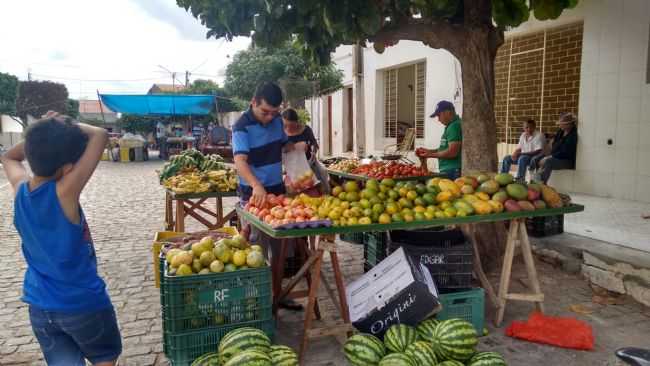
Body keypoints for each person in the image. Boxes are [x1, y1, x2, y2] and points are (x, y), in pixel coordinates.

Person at [0, 112, 121, 366]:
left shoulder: (20, 189)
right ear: (67, 169)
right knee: (104, 360)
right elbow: (99, 136)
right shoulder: (64, 191)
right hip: (83, 305)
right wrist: (63, 125)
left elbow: (9, 156)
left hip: (40, 308)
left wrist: (43, 132)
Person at [233, 82, 303, 311]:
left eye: (274, 112)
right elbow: (240, 162)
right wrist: (256, 185)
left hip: (278, 194)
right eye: (265, 112)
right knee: (256, 250)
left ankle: (277, 295)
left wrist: (297, 151)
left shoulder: (276, 123)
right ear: (254, 102)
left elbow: (285, 146)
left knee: (280, 249)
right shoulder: (241, 126)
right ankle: (256, 302)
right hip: (254, 196)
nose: (269, 117)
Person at [282, 108, 330, 194]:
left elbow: (314, 144)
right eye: (285, 125)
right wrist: (293, 147)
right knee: (296, 190)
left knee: (318, 182)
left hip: (308, 164)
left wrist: (313, 152)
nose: (289, 128)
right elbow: (281, 150)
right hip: (292, 167)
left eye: (292, 125)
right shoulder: (281, 133)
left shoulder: (306, 130)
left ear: (297, 122)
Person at [415, 100, 462, 180]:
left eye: (439, 115)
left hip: (452, 170)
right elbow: (445, 148)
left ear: (447, 112)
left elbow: (452, 152)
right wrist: (429, 151)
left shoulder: (454, 126)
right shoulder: (451, 126)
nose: (438, 119)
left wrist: (429, 155)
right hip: (450, 170)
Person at [530, 112, 578, 183]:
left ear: (569, 124)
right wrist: (547, 154)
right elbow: (554, 145)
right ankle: (534, 180)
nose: (560, 125)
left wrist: (549, 157)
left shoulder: (572, 136)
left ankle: (542, 183)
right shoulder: (560, 132)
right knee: (535, 159)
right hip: (553, 155)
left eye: (562, 123)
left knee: (548, 161)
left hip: (566, 160)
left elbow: (565, 153)